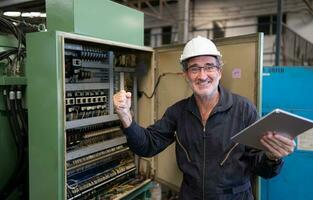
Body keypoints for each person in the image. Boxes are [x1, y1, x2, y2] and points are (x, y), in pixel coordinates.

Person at [113, 36, 295, 200]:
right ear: (185, 75)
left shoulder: (243, 109)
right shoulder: (178, 112)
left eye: (209, 67)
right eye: (194, 69)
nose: (202, 76)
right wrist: (126, 116)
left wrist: (272, 157)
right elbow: (147, 145)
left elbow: (262, 168)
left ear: (219, 72)